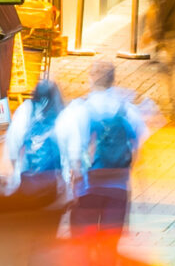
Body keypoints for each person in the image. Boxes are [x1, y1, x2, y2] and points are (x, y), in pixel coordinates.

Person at [64, 61, 150, 235]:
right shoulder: (127, 110)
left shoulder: (80, 109)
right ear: (113, 80)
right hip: (118, 187)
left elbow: (73, 152)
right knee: (109, 241)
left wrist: (72, 181)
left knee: (83, 240)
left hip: (87, 188)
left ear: (91, 79)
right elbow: (138, 146)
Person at [4, 79, 68, 208]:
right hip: (51, 183)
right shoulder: (62, 114)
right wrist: (65, 181)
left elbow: (13, 142)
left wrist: (15, 168)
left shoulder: (27, 109)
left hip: (28, 179)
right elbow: (65, 152)